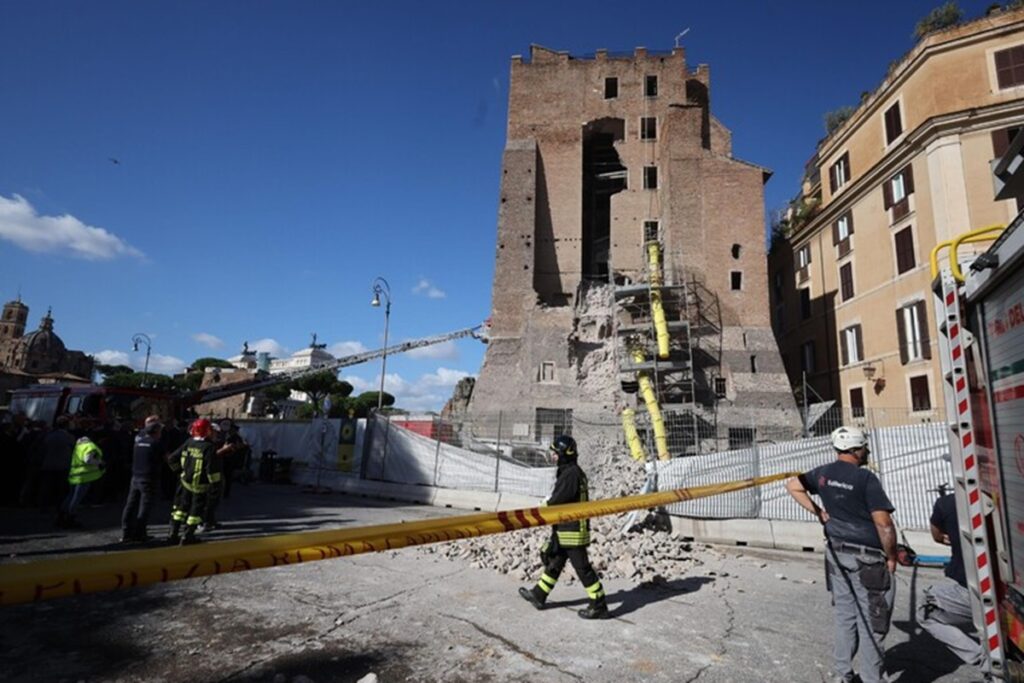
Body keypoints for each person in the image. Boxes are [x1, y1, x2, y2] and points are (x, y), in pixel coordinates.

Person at [786, 426, 897, 683]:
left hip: (836, 553)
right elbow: (884, 524)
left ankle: (842, 675)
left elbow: (793, 486)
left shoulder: (823, 473)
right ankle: (872, 679)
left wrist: (819, 512)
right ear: (856, 450)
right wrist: (891, 556)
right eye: (864, 447)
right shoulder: (865, 479)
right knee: (873, 622)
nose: (867, 450)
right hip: (867, 559)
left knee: (845, 615)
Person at [518, 435, 610, 620]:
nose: (553, 457)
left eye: (555, 453)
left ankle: (599, 604)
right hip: (566, 528)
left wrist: (541, 508)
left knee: (582, 568)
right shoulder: (570, 471)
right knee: (555, 563)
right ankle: (539, 595)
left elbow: (557, 500)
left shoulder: (571, 474)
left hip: (573, 531)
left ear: (564, 454)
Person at [918, 491, 990, 678]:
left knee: (925, 611)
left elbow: (936, 535)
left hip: (971, 590)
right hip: (1005, 590)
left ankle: (982, 658)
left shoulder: (948, 503)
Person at [166, 418, 221, 546]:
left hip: (185, 484)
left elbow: (172, 458)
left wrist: (179, 472)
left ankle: (172, 535)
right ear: (207, 431)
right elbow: (212, 471)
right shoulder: (209, 447)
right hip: (200, 486)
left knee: (180, 509)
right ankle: (187, 536)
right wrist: (216, 487)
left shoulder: (189, 442)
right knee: (195, 512)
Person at [119, 416, 166, 543]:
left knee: (130, 505)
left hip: (135, 477)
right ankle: (139, 534)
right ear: (156, 431)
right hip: (148, 478)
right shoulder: (156, 443)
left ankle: (126, 532)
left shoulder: (139, 442)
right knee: (145, 507)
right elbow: (167, 458)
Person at [57, 432, 105, 529]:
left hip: (75, 475)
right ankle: (70, 518)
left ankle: (61, 516)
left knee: (70, 496)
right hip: (84, 476)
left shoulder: (78, 446)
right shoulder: (89, 446)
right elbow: (88, 460)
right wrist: (100, 462)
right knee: (77, 498)